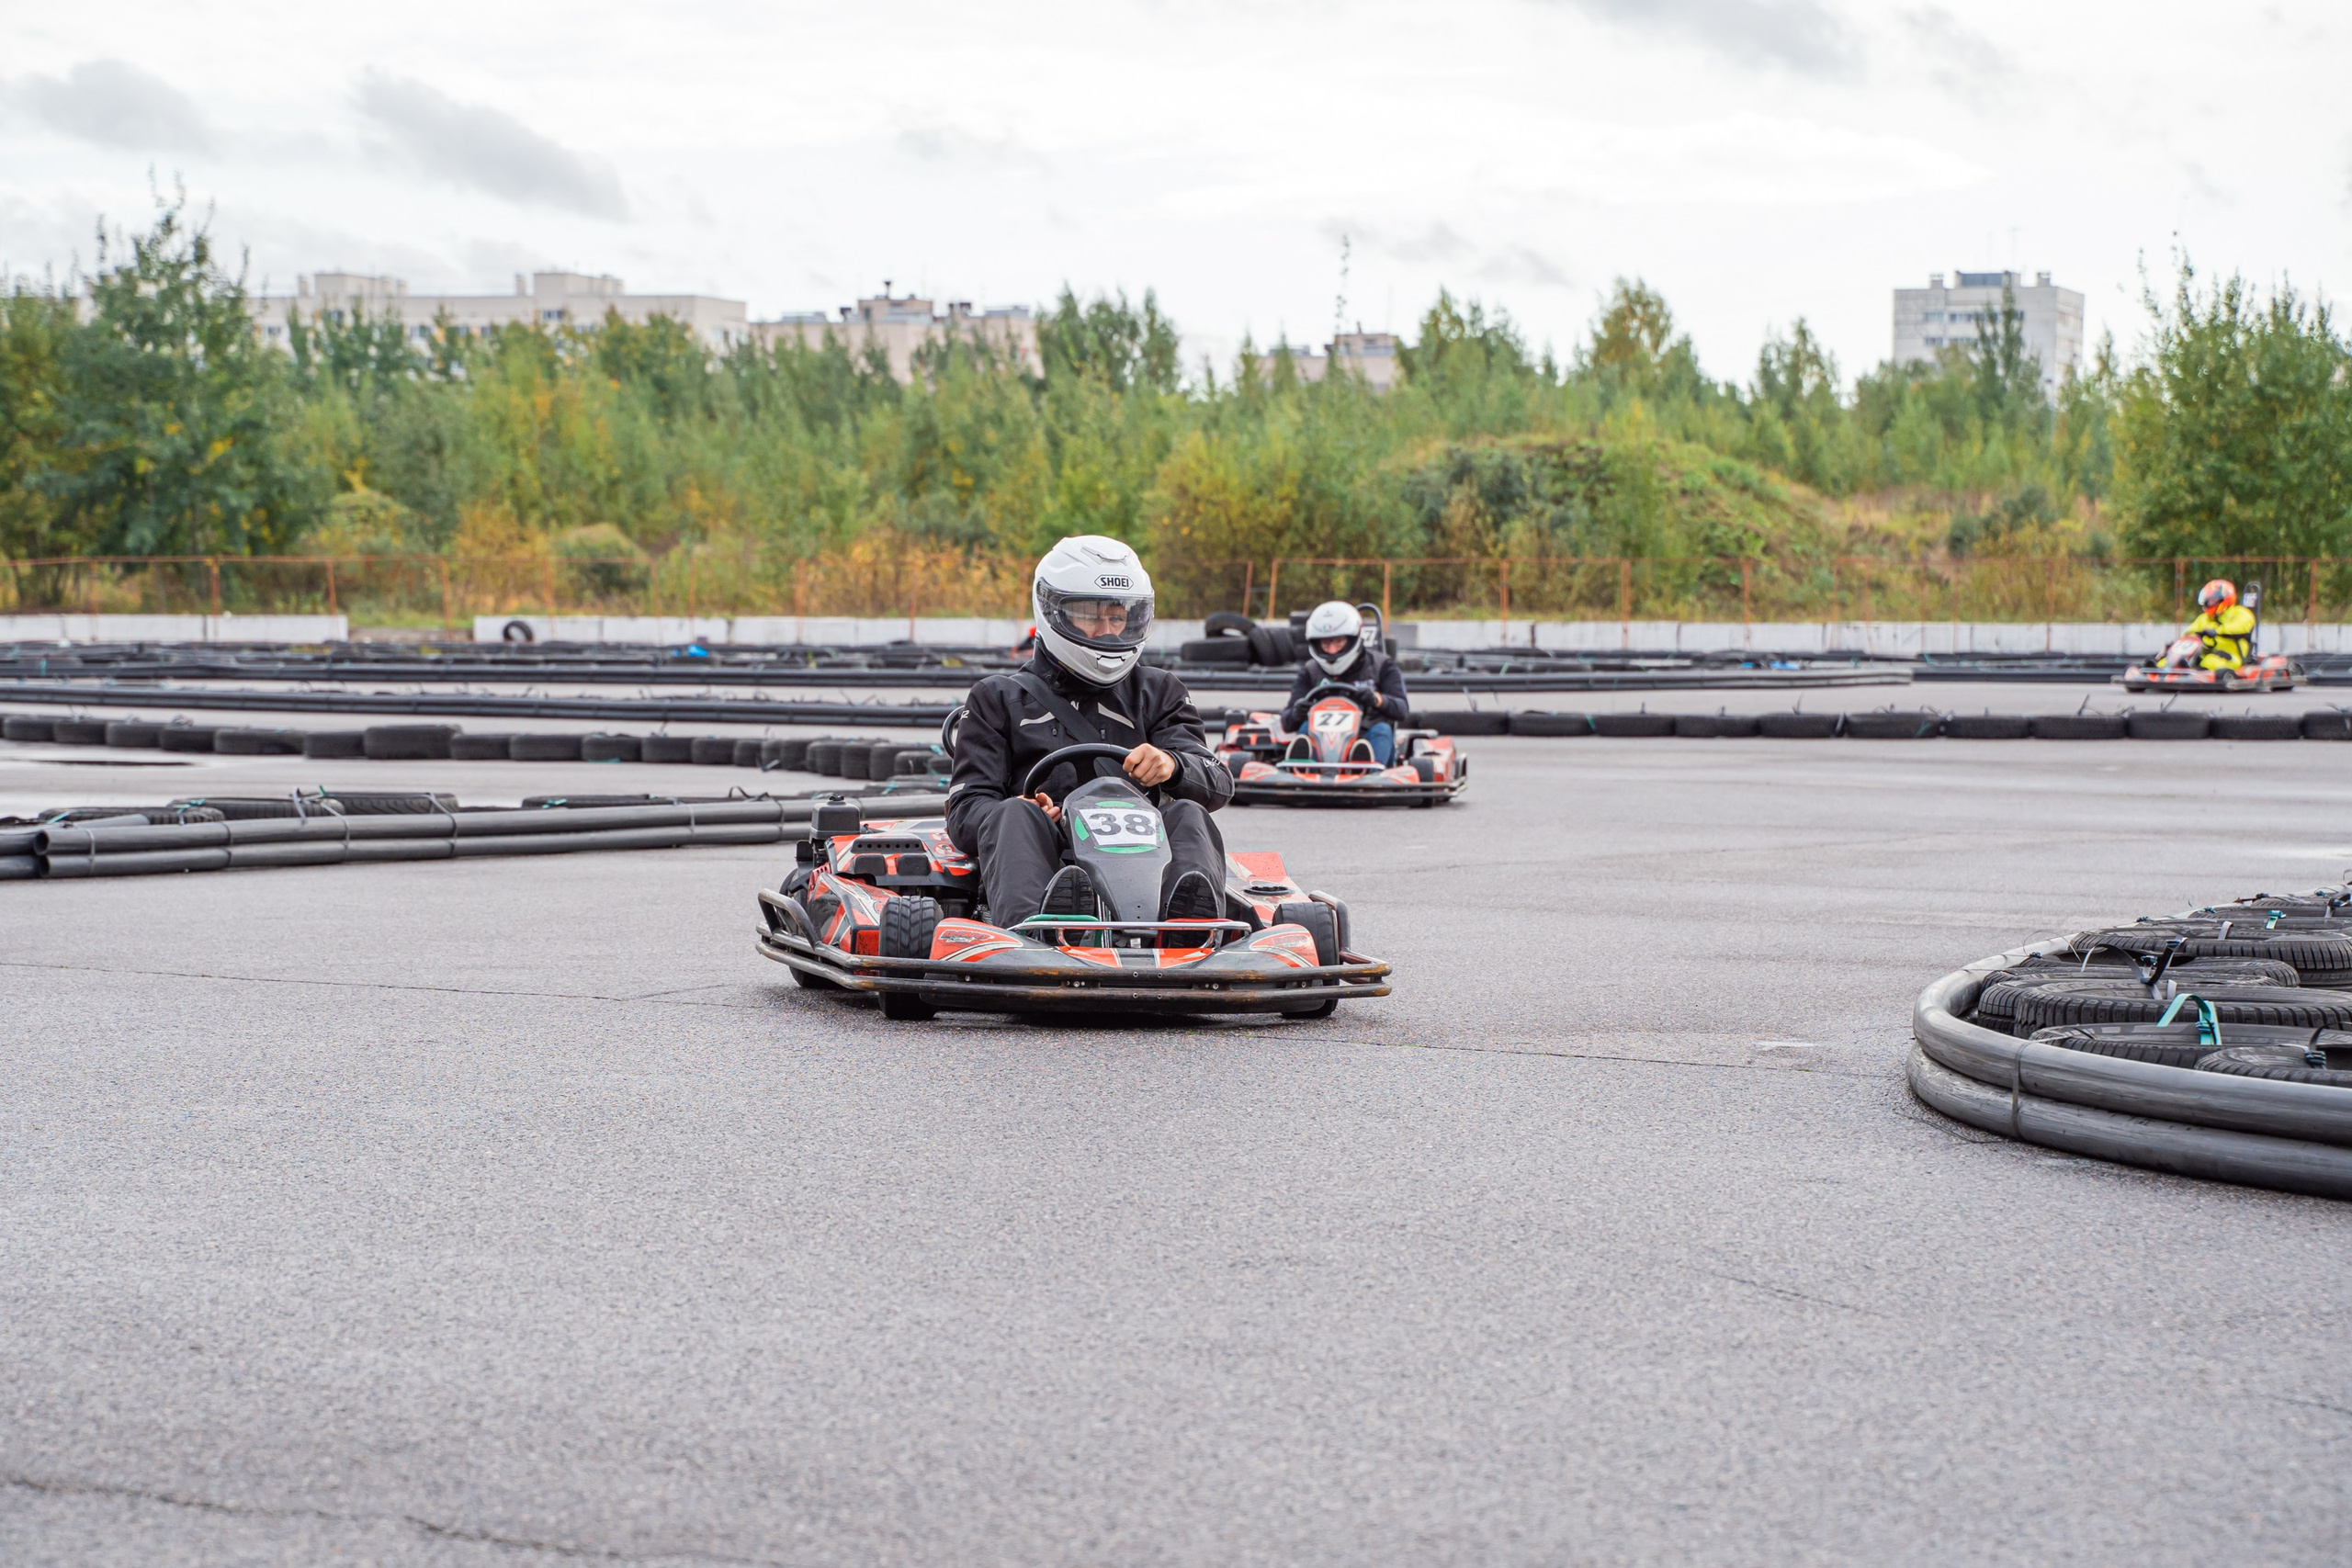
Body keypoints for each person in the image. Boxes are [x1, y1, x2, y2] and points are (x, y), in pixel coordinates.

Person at [945, 536, 1234, 928]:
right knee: (1012, 814)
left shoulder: (1158, 691)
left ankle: (1187, 929)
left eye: (1117, 618)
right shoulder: (998, 697)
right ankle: (1043, 929)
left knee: (1188, 812)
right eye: (1090, 615)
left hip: (1143, 863)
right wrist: (1029, 810)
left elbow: (1217, 777)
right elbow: (965, 812)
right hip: (1047, 857)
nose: (1107, 632)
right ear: (1054, 612)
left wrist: (1173, 765)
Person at [1279, 600, 1411, 764]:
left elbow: (1402, 710)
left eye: (1338, 641)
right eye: (1326, 643)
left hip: (1365, 732)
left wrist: (1377, 699)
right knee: (1305, 728)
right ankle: (1303, 770)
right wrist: (1296, 712)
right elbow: (1286, 722)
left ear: (1352, 639)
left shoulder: (1382, 665)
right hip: (1320, 738)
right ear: (1316, 643)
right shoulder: (1310, 671)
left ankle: (1368, 770)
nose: (1332, 650)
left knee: (1382, 730)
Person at [2167, 579, 2257, 671]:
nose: (2207, 603)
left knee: (2211, 661)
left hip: (2232, 657)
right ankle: (2164, 670)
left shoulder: (2241, 613)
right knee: (2171, 659)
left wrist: (2216, 631)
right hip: (2207, 654)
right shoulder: (2204, 618)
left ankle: (2196, 675)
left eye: (2212, 600)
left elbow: (2240, 628)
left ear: (2223, 600)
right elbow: (2189, 632)